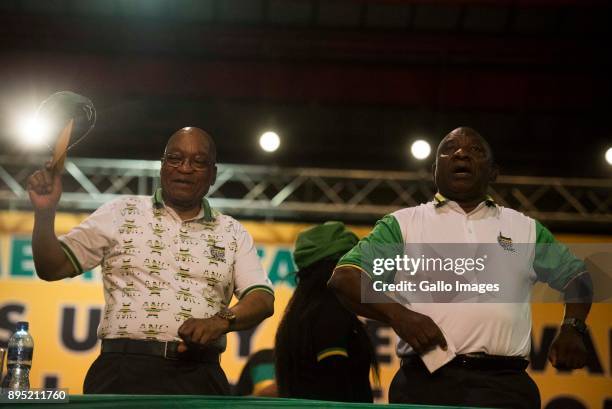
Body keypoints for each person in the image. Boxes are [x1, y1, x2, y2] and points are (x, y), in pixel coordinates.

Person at [328, 127, 592, 409]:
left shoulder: (525, 229)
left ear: (493, 173)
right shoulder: (403, 224)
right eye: (449, 149)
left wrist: (573, 328)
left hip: (506, 388)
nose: (461, 153)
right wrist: (398, 315)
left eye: (475, 150)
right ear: (435, 170)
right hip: (424, 385)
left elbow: (578, 277)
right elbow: (345, 276)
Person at [27, 127, 274, 395]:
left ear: (213, 174)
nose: (185, 168)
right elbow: (51, 267)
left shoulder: (232, 232)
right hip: (122, 372)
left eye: (198, 162)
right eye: (175, 158)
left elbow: (262, 298)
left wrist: (220, 322)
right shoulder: (120, 212)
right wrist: (44, 213)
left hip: (200, 375)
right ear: (162, 166)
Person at [275, 222, 377, 402]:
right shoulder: (330, 311)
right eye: (355, 264)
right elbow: (334, 384)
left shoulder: (302, 313)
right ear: (338, 267)